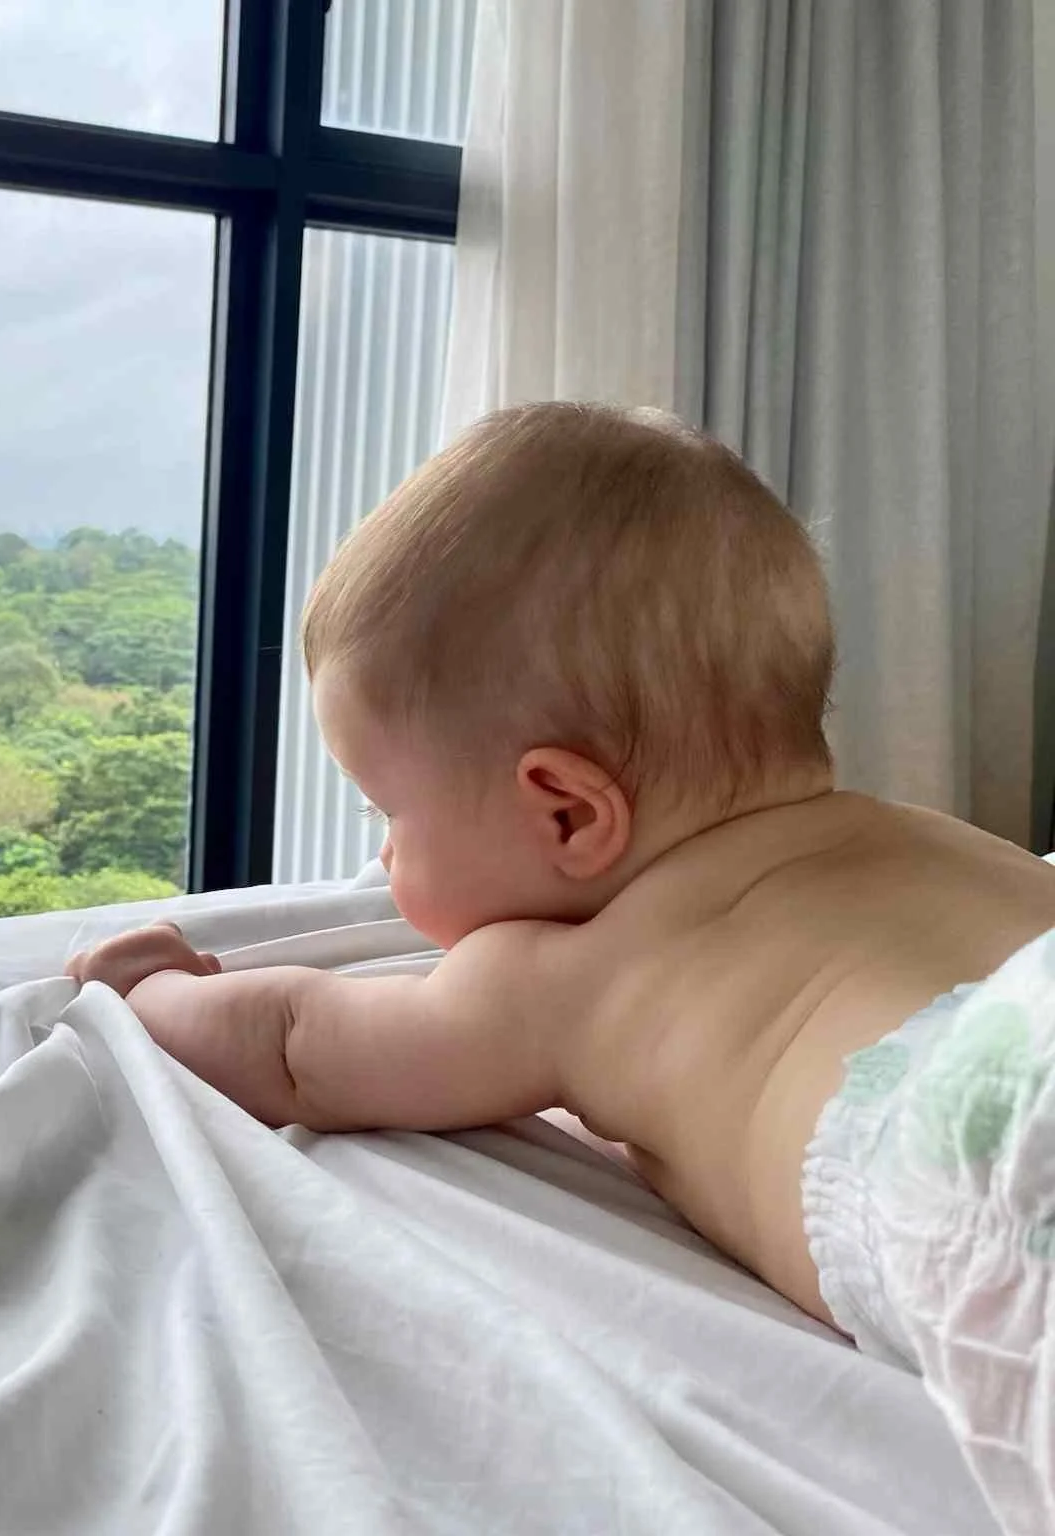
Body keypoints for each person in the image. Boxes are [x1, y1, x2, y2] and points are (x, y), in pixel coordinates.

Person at [67, 402, 1055, 1532]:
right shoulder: (943, 840)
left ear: (568, 812)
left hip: (960, 1131)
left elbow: (294, 1047)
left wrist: (150, 991)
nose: (381, 860)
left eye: (388, 816)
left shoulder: (562, 979)